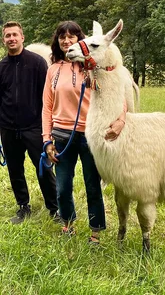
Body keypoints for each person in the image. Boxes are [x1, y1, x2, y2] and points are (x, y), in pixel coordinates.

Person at [42, 21, 126, 244]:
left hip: (89, 135)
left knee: (92, 185)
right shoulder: (53, 70)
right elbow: (46, 107)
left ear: (80, 39)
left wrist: (121, 118)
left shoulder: (94, 68)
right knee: (62, 187)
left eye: (71, 37)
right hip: (61, 135)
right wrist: (46, 140)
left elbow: (117, 95)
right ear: (57, 41)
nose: (66, 41)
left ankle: (95, 231)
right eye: (62, 37)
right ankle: (67, 225)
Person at [0, 21, 59, 224]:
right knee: (15, 170)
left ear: (22, 37)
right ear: (4, 40)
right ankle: (23, 207)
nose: (11, 38)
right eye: (7, 35)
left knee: (43, 169)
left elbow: (47, 100)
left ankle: (54, 209)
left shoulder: (37, 63)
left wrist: (48, 129)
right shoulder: (0, 69)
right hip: (9, 129)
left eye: (14, 35)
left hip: (34, 128)